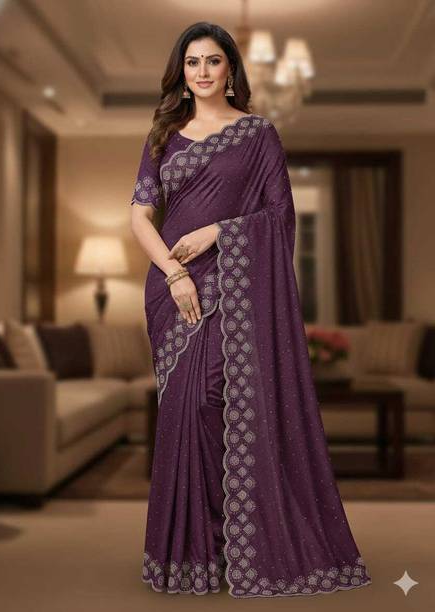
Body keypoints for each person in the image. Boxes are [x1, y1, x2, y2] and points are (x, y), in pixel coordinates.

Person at [130, 21, 373, 599]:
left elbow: (279, 217)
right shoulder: (164, 135)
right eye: (193, 62)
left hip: (233, 286)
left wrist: (219, 231)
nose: (203, 71)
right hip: (172, 289)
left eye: (213, 61)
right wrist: (174, 274)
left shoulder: (257, 134)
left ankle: (231, 540)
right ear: (181, 72)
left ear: (230, 70)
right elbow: (140, 215)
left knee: (214, 401)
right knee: (183, 411)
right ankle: (191, 554)